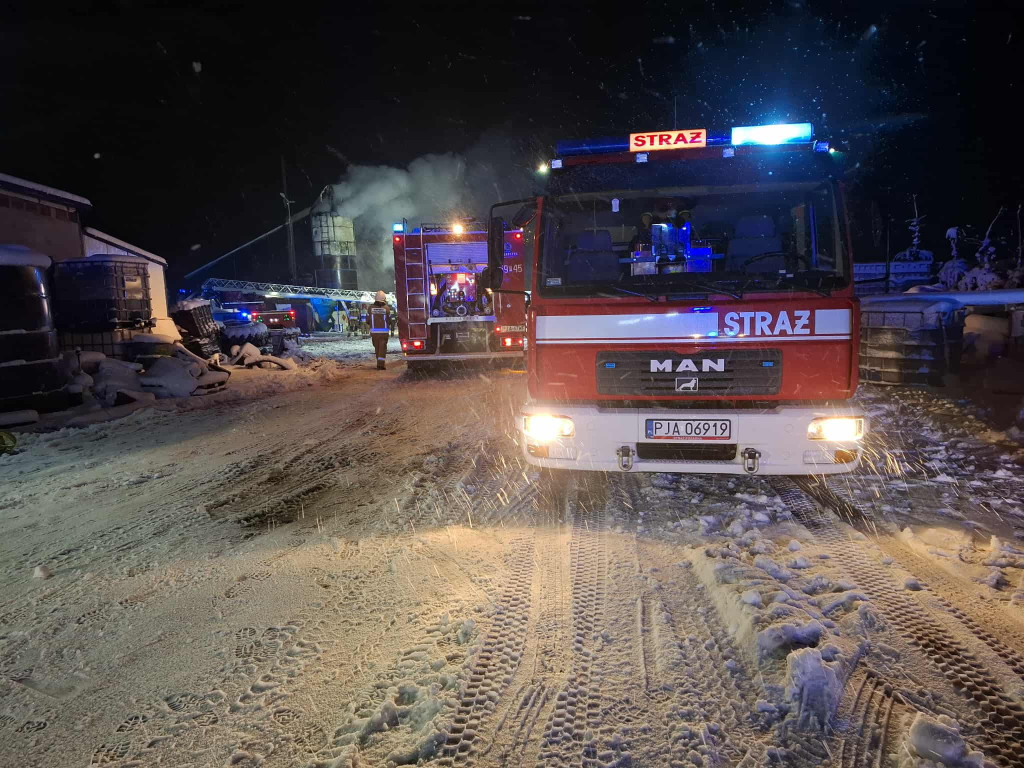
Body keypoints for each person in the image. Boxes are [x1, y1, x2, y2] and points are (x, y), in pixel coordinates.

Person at [369, 290, 392, 370]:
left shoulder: (370, 308)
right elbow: (389, 320)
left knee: (377, 348)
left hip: (374, 333)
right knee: (382, 348)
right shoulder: (386, 308)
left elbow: (367, 320)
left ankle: (379, 363)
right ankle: (381, 365)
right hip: (383, 333)